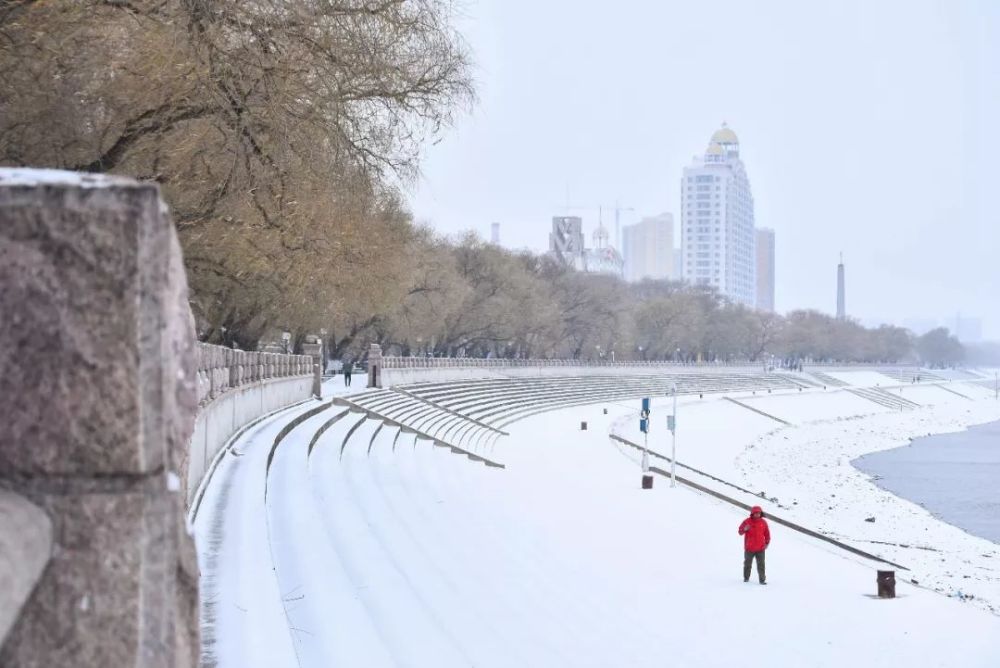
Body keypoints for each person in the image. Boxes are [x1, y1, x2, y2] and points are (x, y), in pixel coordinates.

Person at [738, 505, 770, 584]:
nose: (757, 514)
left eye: (758, 513)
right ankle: (746, 578)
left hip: (760, 548)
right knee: (747, 564)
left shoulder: (763, 522)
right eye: (755, 513)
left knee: (761, 565)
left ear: (761, 513)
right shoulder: (746, 521)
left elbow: (767, 534)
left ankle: (762, 580)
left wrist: (767, 542)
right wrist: (744, 529)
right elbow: (740, 532)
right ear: (752, 513)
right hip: (749, 548)